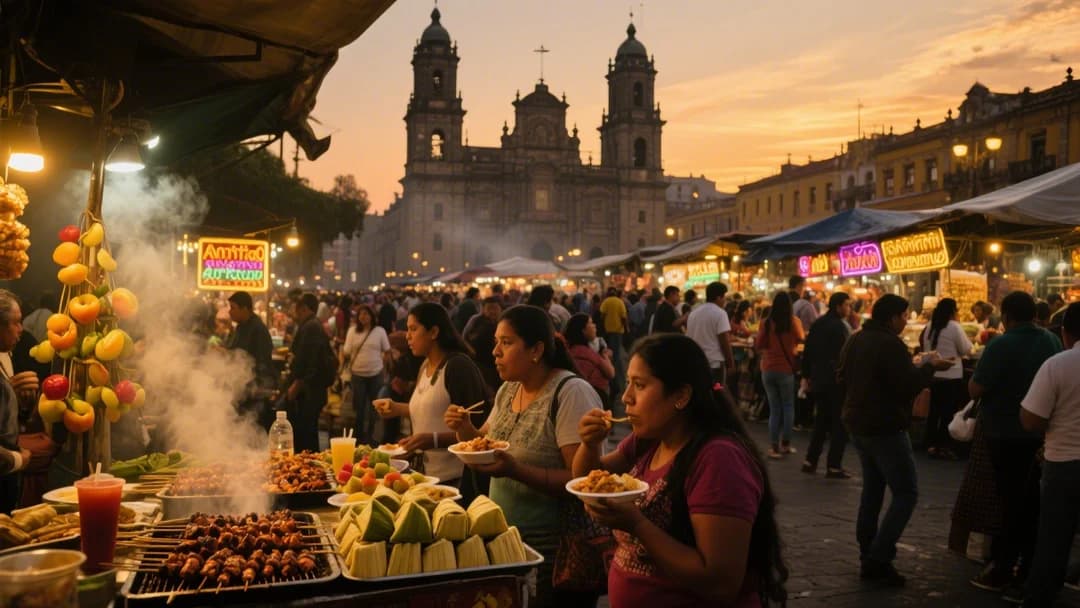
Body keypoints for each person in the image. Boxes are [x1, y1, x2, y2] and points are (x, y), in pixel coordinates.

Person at [573, 333, 788, 607]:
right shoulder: (649, 438)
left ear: (681, 396)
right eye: (628, 383)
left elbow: (720, 582)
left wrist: (636, 524)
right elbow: (588, 479)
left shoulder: (719, 459)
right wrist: (590, 444)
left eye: (639, 385)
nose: (626, 397)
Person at [445, 305, 601, 606]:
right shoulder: (508, 390)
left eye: (506, 342)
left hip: (552, 556)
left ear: (536, 349)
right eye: (496, 342)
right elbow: (483, 443)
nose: (495, 352)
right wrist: (464, 427)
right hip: (505, 543)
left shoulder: (570, 393)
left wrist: (516, 470)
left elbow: (581, 479)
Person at [839, 294, 953, 585]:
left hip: (858, 424)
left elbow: (842, 375)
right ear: (891, 318)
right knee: (906, 492)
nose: (905, 321)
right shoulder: (890, 344)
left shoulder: (856, 339)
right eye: (904, 316)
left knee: (873, 490)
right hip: (885, 427)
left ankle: (868, 553)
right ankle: (879, 557)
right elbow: (908, 385)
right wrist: (929, 368)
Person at [967, 291, 1061, 598]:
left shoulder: (1001, 344)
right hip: (1040, 434)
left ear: (1006, 317)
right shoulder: (1050, 341)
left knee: (1009, 502)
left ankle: (1004, 568)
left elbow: (976, 388)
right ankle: (1029, 566)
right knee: (1032, 501)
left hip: (1004, 432)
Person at [375, 302, 487, 489]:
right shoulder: (425, 365)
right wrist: (396, 408)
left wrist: (433, 440)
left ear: (434, 332)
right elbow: (431, 411)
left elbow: (477, 431)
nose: (407, 336)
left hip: (454, 478)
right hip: (425, 474)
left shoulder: (458, 367)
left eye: (413, 329)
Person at [1019, 302, 1080, 607]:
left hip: (1064, 465)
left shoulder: (1058, 365)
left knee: (1053, 538)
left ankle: (1040, 597)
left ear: (1066, 333)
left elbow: (1031, 419)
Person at [801, 292, 852, 478]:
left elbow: (808, 351)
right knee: (839, 423)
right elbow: (844, 356)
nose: (849, 309)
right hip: (836, 381)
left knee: (821, 421)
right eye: (847, 305)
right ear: (838, 306)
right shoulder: (840, 327)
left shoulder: (818, 323)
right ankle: (834, 465)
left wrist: (806, 375)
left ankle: (810, 460)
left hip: (819, 379)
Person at [919, 298, 973, 460]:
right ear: (952, 311)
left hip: (934, 375)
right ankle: (944, 446)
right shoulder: (954, 327)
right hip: (951, 375)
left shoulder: (929, 326)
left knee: (934, 411)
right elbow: (966, 349)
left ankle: (930, 444)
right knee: (948, 412)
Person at [756, 291, 804, 459]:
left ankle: (774, 447)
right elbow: (801, 340)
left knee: (774, 408)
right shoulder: (794, 322)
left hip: (768, 368)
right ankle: (786, 444)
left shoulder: (766, 323)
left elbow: (759, 344)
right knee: (788, 407)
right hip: (786, 370)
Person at [286, 293, 336, 453]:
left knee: (306, 433)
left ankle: (309, 466)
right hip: (311, 389)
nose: (293, 313)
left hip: (310, 391)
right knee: (307, 431)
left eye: (296, 309)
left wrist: (297, 384)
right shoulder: (311, 325)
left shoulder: (311, 327)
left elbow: (309, 361)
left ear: (304, 309)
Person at [0, 291, 31, 513]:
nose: (21, 330)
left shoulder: (5, 358)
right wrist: (18, 459)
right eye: (16, 322)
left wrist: (22, 402)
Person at [342, 304, 391, 445]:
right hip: (358, 375)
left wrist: (386, 369)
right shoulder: (352, 331)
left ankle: (371, 437)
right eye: (361, 314)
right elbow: (346, 351)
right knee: (359, 408)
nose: (363, 316)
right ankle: (358, 437)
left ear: (372, 316)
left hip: (376, 374)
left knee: (374, 408)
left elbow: (387, 350)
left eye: (366, 314)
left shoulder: (379, 331)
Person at [227, 291, 276, 429]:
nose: (230, 312)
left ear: (245, 309)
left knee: (253, 430)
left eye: (233, 308)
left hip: (254, 393)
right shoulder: (240, 327)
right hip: (241, 390)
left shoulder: (258, 329)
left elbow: (261, 361)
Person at [685, 282, 734, 385]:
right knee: (718, 391)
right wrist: (730, 364)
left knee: (703, 393)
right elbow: (724, 341)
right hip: (714, 364)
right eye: (724, 296)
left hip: (696, 363)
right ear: (718, 297)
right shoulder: (720, 313)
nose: (725, 300)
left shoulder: (693, 313)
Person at [564, 313, 615, 406]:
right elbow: (611, 373)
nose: (594, 325)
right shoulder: (585, 352)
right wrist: (605, 356)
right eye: (591, 323)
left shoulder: (570, 350)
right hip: (595, 398)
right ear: (583, 330)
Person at [463, 296, 503, 394]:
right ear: (483, 309)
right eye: (489, 308)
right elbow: (464, 338)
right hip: (480, 364)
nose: (492, 311)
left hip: (497, 363)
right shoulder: (476, 321)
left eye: (495, 308)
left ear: (501, 309)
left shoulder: (503, 322)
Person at [599, 287, 628, 390]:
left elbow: (602, 315)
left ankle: (610, 366)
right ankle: (614, 371)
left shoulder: (606, 302)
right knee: (616, 351)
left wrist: (602, 326)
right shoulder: (620, 302)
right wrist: (626, 328)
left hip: (608, 330)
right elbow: (623, 317)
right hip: (618, 331)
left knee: (609, 350)